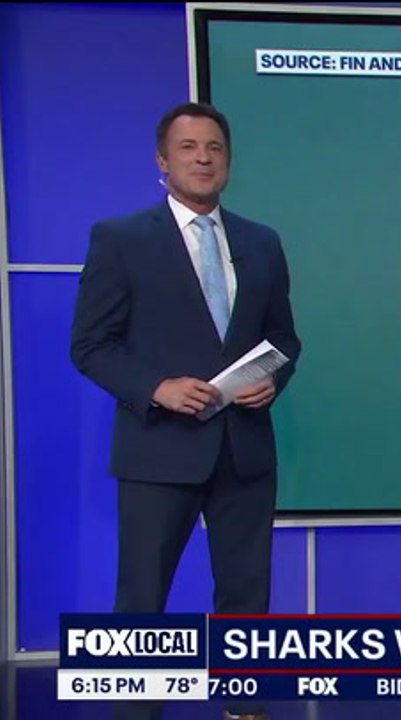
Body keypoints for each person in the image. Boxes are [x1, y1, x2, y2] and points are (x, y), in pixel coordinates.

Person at [70, 102, 302, 720]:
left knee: (247, 592)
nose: (203, 158)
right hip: (159, 446)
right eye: (188, 148)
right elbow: (90, 347)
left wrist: (272, 379)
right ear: (162, 162)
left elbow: (285, 341)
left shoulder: (261, 242)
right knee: (142, 597)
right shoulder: (120, 238)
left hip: (245, 448)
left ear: (228, 160)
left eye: (215, 148)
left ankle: (245, 704)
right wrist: (157, 387)